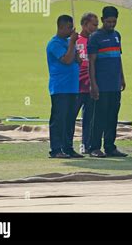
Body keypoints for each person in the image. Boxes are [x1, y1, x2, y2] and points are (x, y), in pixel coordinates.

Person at [87, 6, 127, 158]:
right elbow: (91, 62)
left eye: (114, 22)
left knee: (112, 117)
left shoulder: (117, 35)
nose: (111, 24)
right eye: (108, 21)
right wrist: (93, 84)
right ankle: (94, 148)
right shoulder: (95, 37)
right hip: (101, 85)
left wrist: (122, 77)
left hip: (115, 84)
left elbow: (118, 57)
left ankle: (110, 147)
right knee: (99, 117)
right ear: (102, 20)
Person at [46, 15, 83, 159]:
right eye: (69, 27)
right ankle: (56, 149)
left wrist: (76, 53)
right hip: (60, 87)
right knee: (59, 119)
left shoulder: (69, 42)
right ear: (60, 27)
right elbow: (67, 60)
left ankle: (68, 147)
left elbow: (76, 61)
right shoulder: (54, 44)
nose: (72, 30)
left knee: (70, 119)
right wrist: (72, 43)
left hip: (73, 87)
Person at [75, 12, 98, 154]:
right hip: (76, 86)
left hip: (91, 86)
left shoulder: (96, 41)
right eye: (93, 25)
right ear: (84, 25)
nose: (96, 27)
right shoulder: (75, 40)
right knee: (70, 117)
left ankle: (86, 144)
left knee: (89, 118)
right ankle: (66, 145)